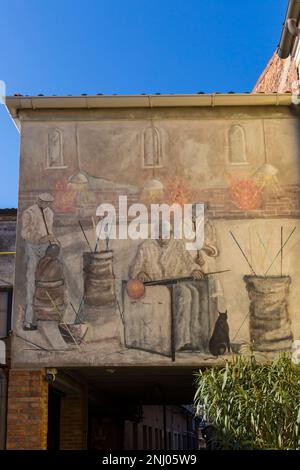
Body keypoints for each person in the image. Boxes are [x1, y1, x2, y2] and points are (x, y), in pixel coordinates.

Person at [129, 220, 218, 351]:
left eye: (164, 236)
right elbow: (135, 269)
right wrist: (140, 273)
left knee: (194, 292)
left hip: (175, 284)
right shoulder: (145, 246)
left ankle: (192, 339)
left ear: (170, 233)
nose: (161, 239)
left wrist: (195, 270)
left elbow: (189, 262)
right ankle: (177, 341)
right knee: (185, 294)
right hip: (155, 287)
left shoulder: (178, 244)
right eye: (158, 236)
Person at [21, 192, 57, 330]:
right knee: (31, 281)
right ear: (38, 201)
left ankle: (49, 316)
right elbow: (25, 233)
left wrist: (53, 239)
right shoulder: (28, 213)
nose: (45, 205)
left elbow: (50, 230)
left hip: (46, 247)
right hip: (32, 247)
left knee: (49, 279)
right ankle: (28, 321)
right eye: (43, 202)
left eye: (48, 203)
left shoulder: (50, 213)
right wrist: (38, 238)